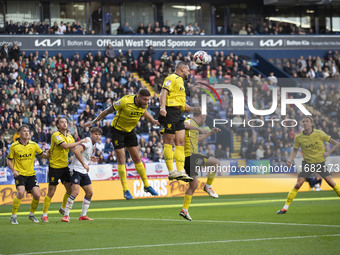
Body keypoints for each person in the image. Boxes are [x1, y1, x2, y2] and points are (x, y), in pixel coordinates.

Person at [84, 88, 159, 199]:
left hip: (130, 131)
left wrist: (152, 120)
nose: (146, 102)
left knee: (137, 158)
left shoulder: (144, 105)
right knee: (122, 159)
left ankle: (146, 185)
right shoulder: (125, 101)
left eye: (148, 100)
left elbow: (144, 112)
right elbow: (107, 111)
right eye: (145, 100)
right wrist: (94, 122)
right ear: (138, 97)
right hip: (117, 131)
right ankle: (125, 189)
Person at [277, 116, 340, 214]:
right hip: (307, 164)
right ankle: (285, 208)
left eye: (307, 121)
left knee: (331, 182)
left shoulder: (319, 133)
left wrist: (329, 152)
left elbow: (337, 143)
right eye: (303, 122)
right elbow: (294, 150)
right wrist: (290, 160)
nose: (305, 123)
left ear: (312, 123)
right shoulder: (298, 137)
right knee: (298, 183)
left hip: (319, 163)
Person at [159, 62, 200, 182]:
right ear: (182, 69)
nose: (189, 72)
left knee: (180, 142)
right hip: (169, 112)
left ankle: (181, 171)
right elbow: (163, 92)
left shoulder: (181, 83)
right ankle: (172, 171)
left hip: (178, 114)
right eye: (188, 70)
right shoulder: (171, 78)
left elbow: (181, 103)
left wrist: (193, 109)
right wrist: (162, 108)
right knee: (169, 141)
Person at [41, 117, 88, 222]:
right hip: (54, 167)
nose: (64, 123)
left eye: (66, 122)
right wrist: (79, 142)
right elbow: (65, 146)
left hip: (65, 167)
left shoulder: (70, 137)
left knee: (70, 190)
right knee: (51, 192)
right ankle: (44, 215)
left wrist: (87, 157)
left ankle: (63, 208)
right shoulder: (55, 135)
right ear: (58, 125)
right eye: (62, 122)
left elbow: (75, 151)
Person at [179, 112, 221, 221]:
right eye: (205, 117)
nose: (205, 120)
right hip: (189, 156)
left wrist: (210, 133)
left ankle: (184, 210)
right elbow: (183, 125)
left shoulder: (194, 126)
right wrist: (199, 129)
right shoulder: (190, 121)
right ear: (201, 116)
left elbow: (197, 139)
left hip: (192, 156)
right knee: (215, 163)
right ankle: (208, 186)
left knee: (193, 185)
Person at [8, 125, 50, 224]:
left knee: (37, 194)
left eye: (28, 131)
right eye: (24, 131)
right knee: (21, 192)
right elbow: (9, 161)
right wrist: (13, 170)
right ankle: (13, 216)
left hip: (31, 174)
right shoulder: (14, 146)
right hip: (20, 174)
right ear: (19, 133)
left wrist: (48, 154)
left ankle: (31, 214)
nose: (27, 133)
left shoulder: (34, 145)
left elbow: (43, 155)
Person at [62, 127, 102, 222]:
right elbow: (76, 151)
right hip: (76, 169)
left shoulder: (92, 145)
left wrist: (89, 158)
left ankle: (83, 215)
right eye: (95, 134)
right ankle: (66, 215)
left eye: (99, 135)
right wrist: (84, 164)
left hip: (83, 171)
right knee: (75, 192)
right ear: (91, 134)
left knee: (89, 193)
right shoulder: (87, 141)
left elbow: (83, 153)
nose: (97, 136)